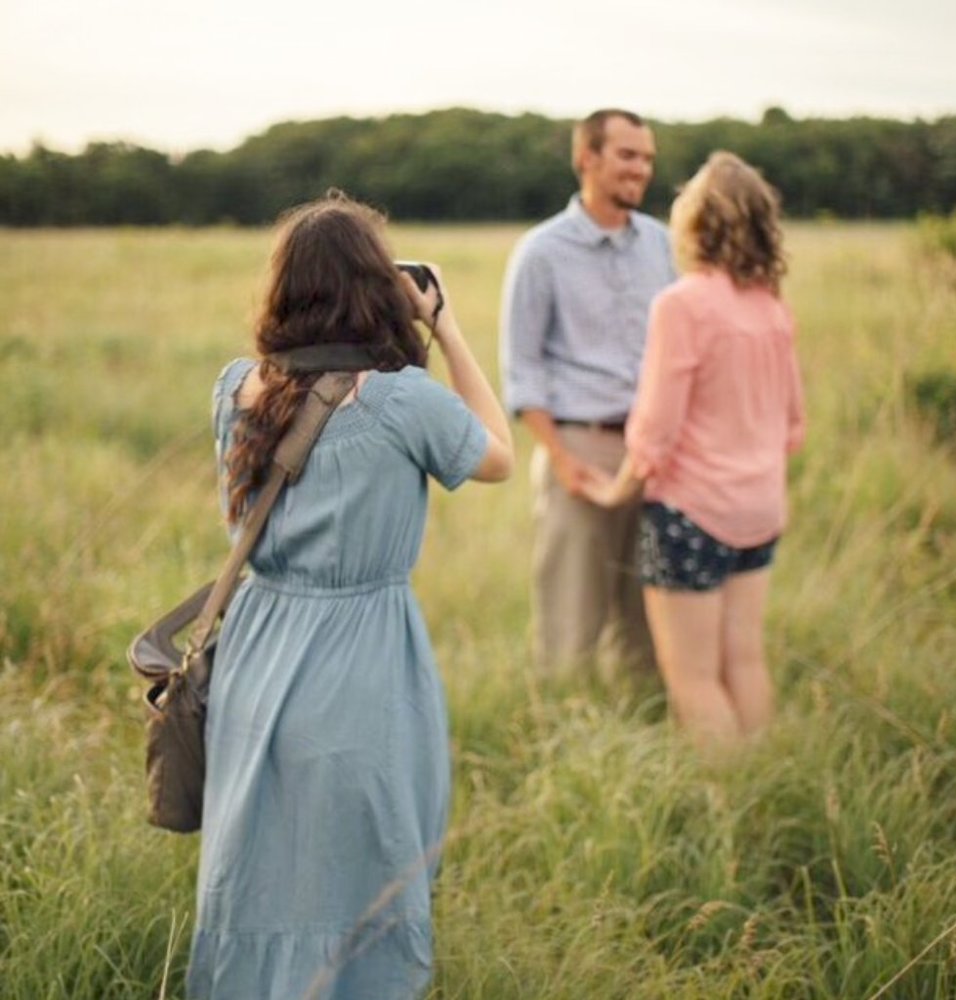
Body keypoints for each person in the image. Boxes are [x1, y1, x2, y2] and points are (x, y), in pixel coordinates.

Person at [186, 193, 514, 1000]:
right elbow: (500, 454)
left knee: (258, 866)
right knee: (365, 870)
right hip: (361, 661)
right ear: (376, 286)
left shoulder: (236, 390)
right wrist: (445, 329)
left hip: (257, 658)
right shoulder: (402, 401)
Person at [581, 151, 805, 746]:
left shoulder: (681, 305)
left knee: (693, 679)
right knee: (746, 661)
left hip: (692, 516)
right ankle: (765, 788)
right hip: (761, 512)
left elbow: (654, 431)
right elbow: (794, 426)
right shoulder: (772, 308)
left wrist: (614, 490)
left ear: (695, 225)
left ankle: (732, 813)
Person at [499, 108, 677, 679]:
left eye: (647, 158)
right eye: (628, 155)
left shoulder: (663, 244)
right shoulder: (541, 251)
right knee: (570, 620)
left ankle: (646, 727)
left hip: (657, 451)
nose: (641, 169)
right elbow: (523, 370)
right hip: (581, 449)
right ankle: (562, 730)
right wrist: (563, 460)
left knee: (650, 616)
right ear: (587, 158)